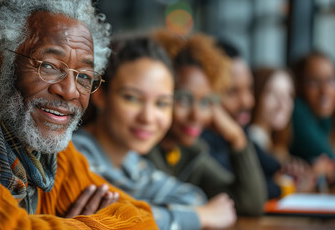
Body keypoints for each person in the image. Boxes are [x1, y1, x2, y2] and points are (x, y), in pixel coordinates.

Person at [0, 0, 158, 229]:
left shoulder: (49, 151)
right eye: (49, 66)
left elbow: (144, 219)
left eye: (84, 75)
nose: (70, 91)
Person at [73, 35, 236, 230]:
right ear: (99, 95)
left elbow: (193, 198)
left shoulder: (132, 164)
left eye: (162, 103)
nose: (148, 117)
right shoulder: (75, 155)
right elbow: (119, 221)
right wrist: (199, 217)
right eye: (132, 98)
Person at [145, 31, 266, 216]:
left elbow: (249, 204)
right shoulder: (139, 150)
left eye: (205, 102)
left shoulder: (189, 153)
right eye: (184, 99)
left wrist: (237, 138)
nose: (197, 115)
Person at [200, 41, 282, 199]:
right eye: (232, 91)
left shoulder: (239, 129)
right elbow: (246, 192)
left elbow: (275, 169)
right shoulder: (200, 141)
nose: (248, 101)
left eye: (250, 88)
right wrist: (281, 187)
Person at [248, 68, 317, 193]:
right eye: (273, 94)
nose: (282, 104)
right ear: (256, 95)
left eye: (289, 95)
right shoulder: (251, 141)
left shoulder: (276, 145)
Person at [290, 51, 335, 184]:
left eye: (331, 80)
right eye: (314, 81)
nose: (325, 90)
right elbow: (332, 163)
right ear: (299, 85)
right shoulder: (297, 111)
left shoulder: (325, 118)